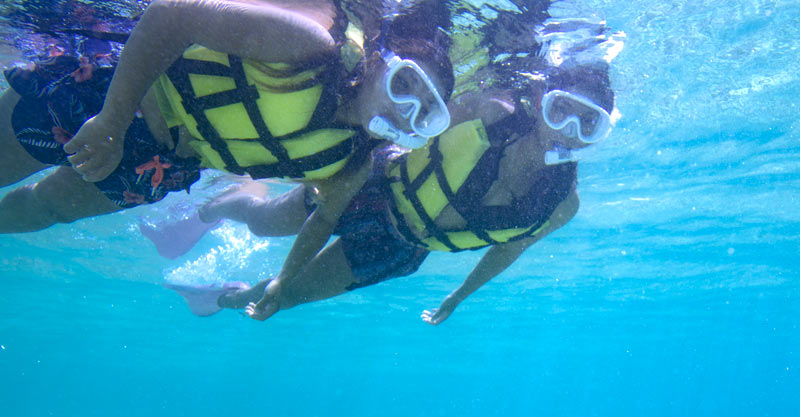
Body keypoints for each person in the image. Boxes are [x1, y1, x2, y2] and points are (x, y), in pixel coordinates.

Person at [166, 63, 617, 324]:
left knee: (285, 296)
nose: (568, 132)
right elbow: (413, 119)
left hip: (401, 247)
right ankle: (216, 206)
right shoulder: (490, 109)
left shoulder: (562, 204)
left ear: (600, 134)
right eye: (561, 111)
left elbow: (508, 250)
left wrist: (459, 295)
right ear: (541, 104)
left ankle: (218, 296)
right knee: (265, 222)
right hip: (371, 186)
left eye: (587, 123)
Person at [0, 0, 453, 234]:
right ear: (381, 62)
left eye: (424, 113)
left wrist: (283, 281)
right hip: (112, 95)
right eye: (405, 83)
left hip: (160, 167)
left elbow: (302, 219)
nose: (404, 107)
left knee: (47, 209)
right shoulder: (309, 45)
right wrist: (113, 121)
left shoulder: (348, 161)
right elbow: (174, 12)